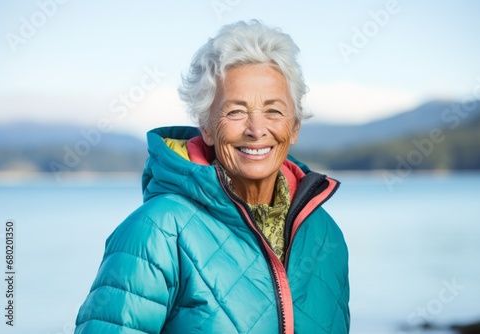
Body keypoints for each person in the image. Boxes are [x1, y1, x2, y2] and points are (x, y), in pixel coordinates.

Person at [75, 20, 350, 334]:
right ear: (206, 127)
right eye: (235, 111)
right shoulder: (156, 231)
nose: (256, 129)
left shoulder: (327, 235)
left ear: (295, 126)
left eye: (273, 111)